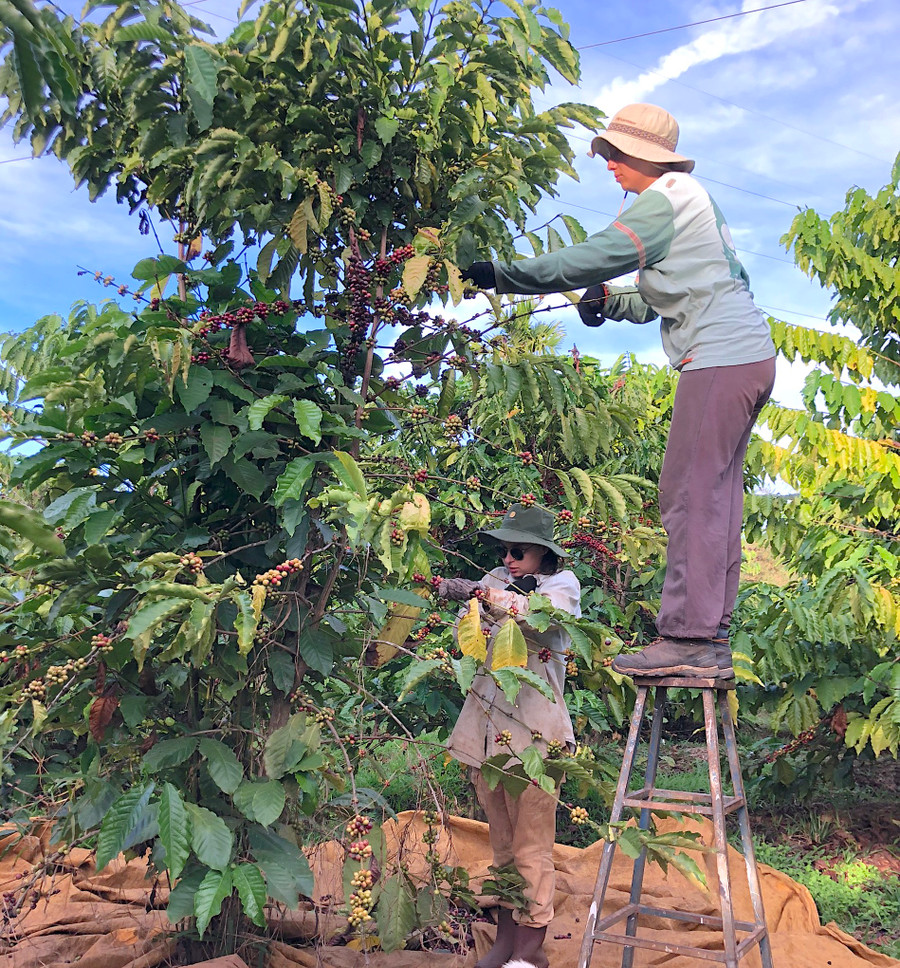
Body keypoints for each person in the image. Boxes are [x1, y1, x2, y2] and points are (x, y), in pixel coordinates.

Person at [461, 103, 776, 680]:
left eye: (614, 156)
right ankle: (711, 629)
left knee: (685, 495)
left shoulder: (671, 196)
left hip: (719, 360)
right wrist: (607, 304)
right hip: (746, 358)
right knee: (715, 499)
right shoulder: (693, 205)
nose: (609, 167)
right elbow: (670, 294)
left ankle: (687, 636)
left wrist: (503, 274)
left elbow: (594, 257)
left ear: (644, 157)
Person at [437, 503, 581, 968]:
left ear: (544, 553)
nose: (510, 558)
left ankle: (528, 949)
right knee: (500, 843)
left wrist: (480, 592)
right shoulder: (498, 578)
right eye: (506, 550)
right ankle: (505, 936)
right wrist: (470, 600)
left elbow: (540, 616)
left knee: (531, 845)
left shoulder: (563, 587)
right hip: (487, 729)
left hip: (537, 733)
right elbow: (471, 630)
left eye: (519, 550)